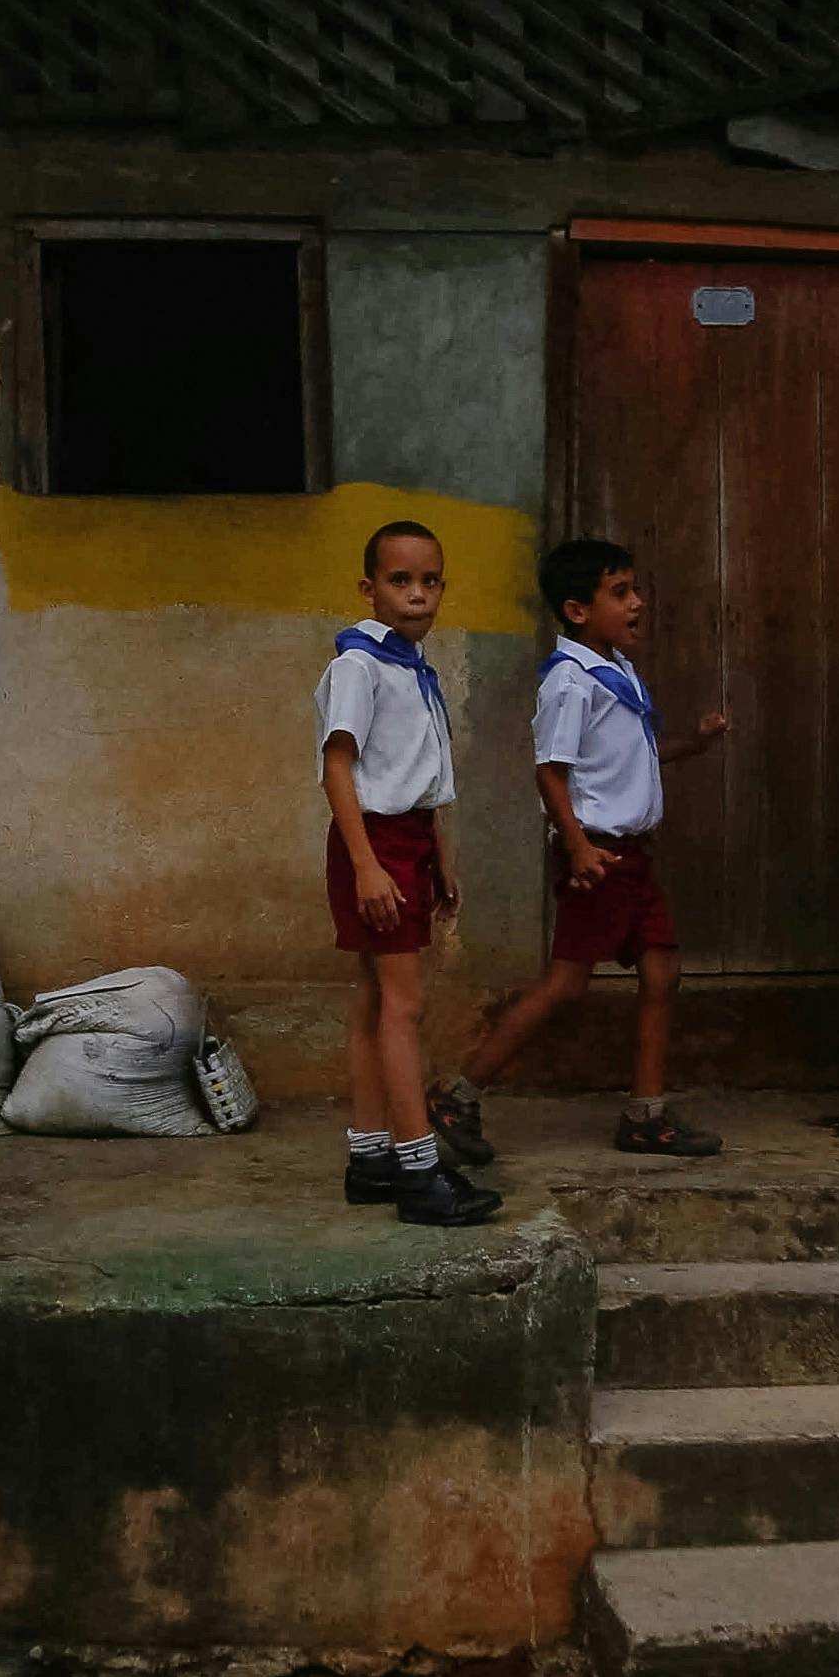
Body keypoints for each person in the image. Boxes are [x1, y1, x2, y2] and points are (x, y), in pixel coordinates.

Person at [429, 537, 728, 1165]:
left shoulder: (614, 668)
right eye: (620, 593)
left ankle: (645, 1114)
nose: (638, 602)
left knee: (660, 970)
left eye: (634, 589)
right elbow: (551, 772)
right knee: (565, 985)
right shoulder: (569, 682)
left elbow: (631, 757)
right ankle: (457, 1094)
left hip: (632, 857)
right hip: (600, 857)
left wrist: (692, 746)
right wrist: (578, 847)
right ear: (575, 610)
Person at [316, 522, 502, 1227]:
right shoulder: (358, 666)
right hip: (376, 845)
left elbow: (419, 778)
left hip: (408, 841)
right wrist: (367, 864)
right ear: (369, 588)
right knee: (403, 1005)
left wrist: (441, 856)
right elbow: (339, 766)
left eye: (430, 581)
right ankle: (419, 1173)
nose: (418, 594)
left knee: (372, 1000)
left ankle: (370, 1159)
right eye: (400, 580)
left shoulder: (410, 667)